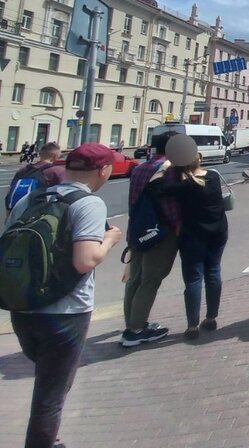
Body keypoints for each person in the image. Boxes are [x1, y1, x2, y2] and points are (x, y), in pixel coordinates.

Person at [5, 143, 122, 448]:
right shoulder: (89, 204)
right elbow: (85, 260)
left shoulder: (31, 199)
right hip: (66, 312)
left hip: (22, 305)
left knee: (47, 384)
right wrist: (109, 240)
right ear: (104, 170)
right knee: (51, 396)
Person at [165, 136, 228, 340]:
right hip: (217, 233)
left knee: (193, 279)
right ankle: (211, 318)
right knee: (214, 272)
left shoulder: (184, 186)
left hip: (193, 237)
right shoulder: (213, 178)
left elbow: (154, 189)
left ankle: (192, 325)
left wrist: (165, 168)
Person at [121, 131, 179, 348]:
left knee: (134, 279)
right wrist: (178, 227)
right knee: (151, 279)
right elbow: (169, 205)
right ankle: (136, 330)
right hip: (160, 232)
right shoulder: (169, 169)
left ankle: (133, 323)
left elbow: (133, 201)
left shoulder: (140, 168)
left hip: (138, 229)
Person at [6, 141, 66, 222]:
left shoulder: (24, 170)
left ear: (40, 154)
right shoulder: (57, 171)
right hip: (38, 219)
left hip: (16, 214)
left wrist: (8, 217)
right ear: (55, 156)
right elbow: (65, 195)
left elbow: (10, 193)